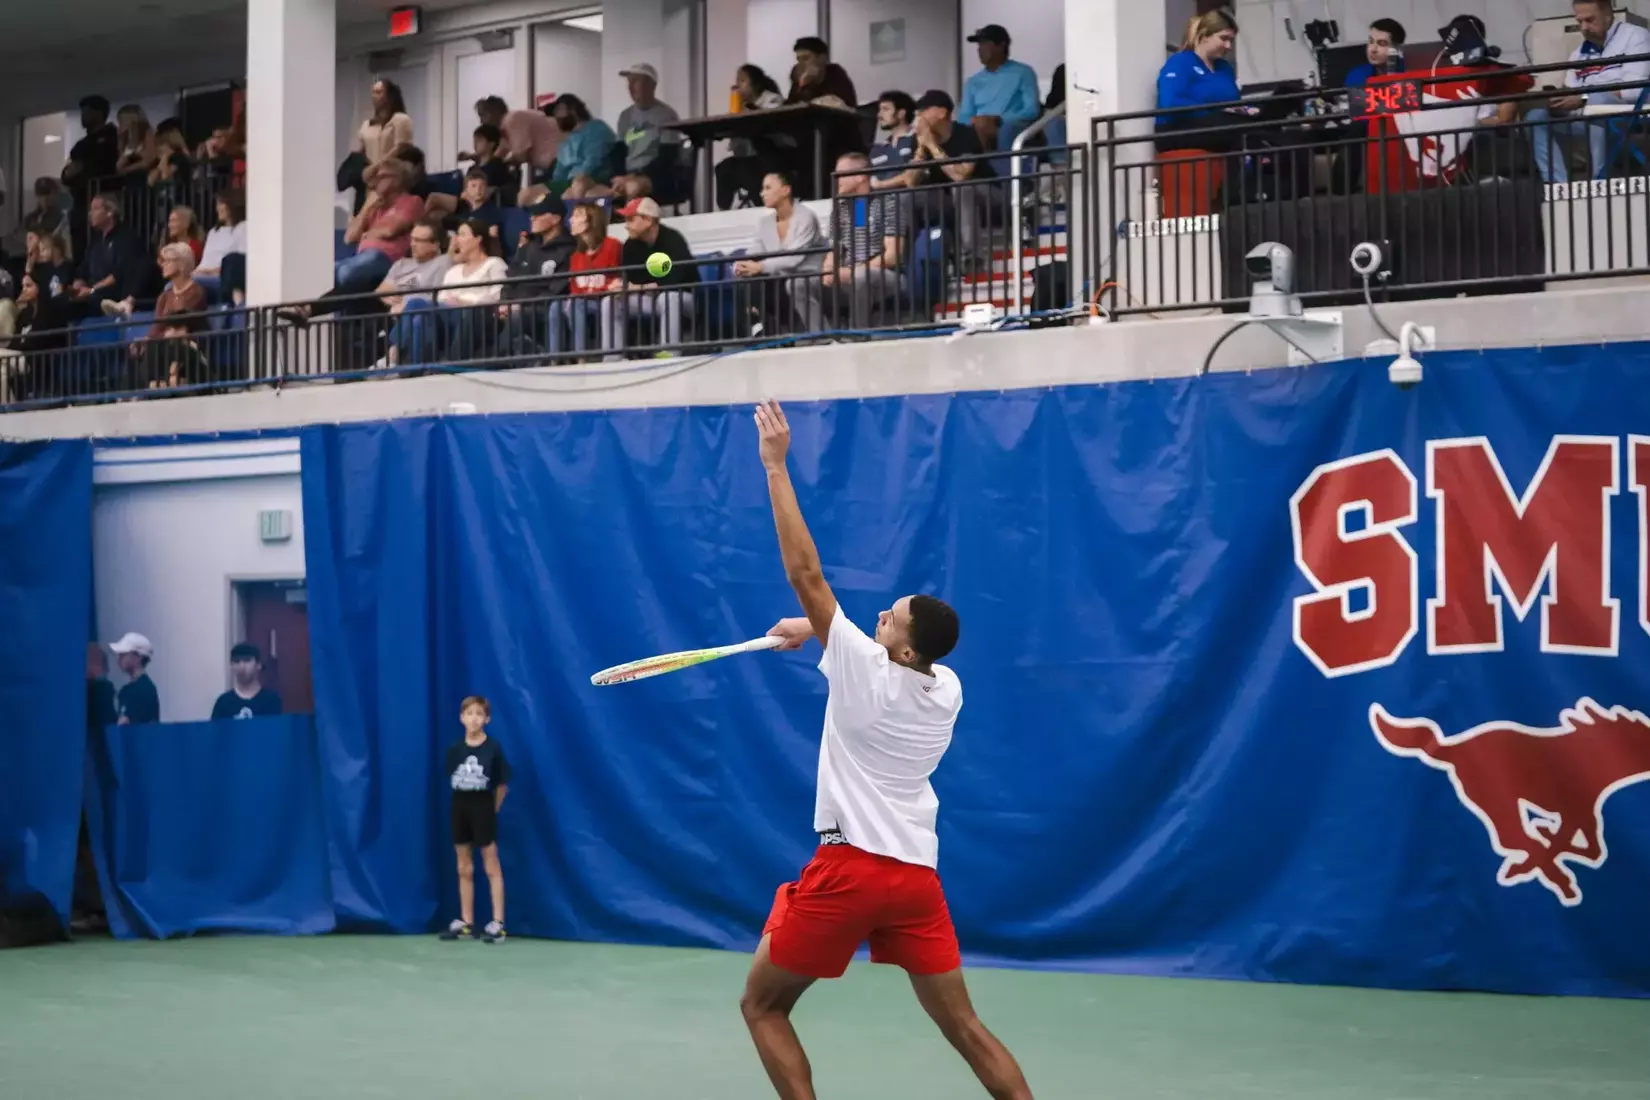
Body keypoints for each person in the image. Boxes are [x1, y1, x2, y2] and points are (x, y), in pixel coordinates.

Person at [742, 399, 1033, 1100]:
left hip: (849, 873)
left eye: (889, 618)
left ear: (900, 646)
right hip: (915, 881)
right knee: (963, 1025)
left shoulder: (867, 670)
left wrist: (776, 465)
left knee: (763, 1006)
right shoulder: (946, 684)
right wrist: (821, 634)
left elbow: (807, 577)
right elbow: (868, 644)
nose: (879, 614)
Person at [440, 695, 510, 944]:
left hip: (483, 808)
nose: (474, 719)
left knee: (491, 865)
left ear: (487, 719)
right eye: (469, 714)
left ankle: (498, 923)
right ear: (461, 718)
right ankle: (467, 922)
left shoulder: (493, 748)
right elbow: (452, 779)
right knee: (463, 867)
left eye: (479, 714)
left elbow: (502, 785)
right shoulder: (455, 750)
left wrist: (492, 810)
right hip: (460, 808)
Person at [211, 642, 283, 720]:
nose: (241, 666)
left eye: (247, 660)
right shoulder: (223, 703)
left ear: (258, 665)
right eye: (236, 661)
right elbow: (215, 731)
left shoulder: (272, 701)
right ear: (232, 666)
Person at [109, 631, 160, 725]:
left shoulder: (146, 689)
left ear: (138, 657)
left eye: (124, 654)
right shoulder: (124, 691)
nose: (119, 659)